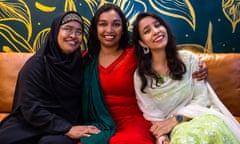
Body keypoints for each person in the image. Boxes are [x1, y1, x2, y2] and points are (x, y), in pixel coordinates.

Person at [80, 3, 208, 144]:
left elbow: (167, 59)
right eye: (103, 24)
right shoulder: (87, 60)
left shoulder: (136, 54)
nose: (109, 30)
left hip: (134, 121)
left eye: (116, 24)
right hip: (100, 121)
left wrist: (200, 68)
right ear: (95, 28)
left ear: (123, 29)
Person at [132, 12, 240, 144]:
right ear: (142, 43)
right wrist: (161, 136)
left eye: (157, 25)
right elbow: (152, 113)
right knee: (184, 139)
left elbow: (201, 99)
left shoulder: (189, 60)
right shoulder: (141, 76)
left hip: (202, 116)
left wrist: (176, 119)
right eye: (147, 31)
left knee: (209, 131)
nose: (155, 31)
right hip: (176, 129)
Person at [0, 11, 100, 144]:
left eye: (78, 32)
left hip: (68, 121)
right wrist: (66, 129)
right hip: (33, 123)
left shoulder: (82, 64)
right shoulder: (36, 65)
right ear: (55, 32)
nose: (73, 36)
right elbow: (30, 107)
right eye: (67, 29)